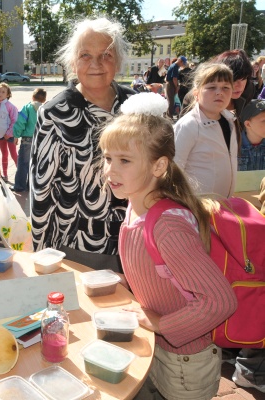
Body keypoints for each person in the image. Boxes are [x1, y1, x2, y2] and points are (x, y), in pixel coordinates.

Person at [99, 92, 237, 400]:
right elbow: (163, 273)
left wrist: (159, 322)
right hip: (158, 348)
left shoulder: (168, 226)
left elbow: (219, 302)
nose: (110, 170)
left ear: (159, 166)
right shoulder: (136, 206)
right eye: (108, 158)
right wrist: (129, 281)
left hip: (185, 363)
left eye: (124, 160)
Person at [29, 17, 135, 272]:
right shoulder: (55, 113)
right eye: (85, 55)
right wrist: (41, 254)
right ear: (73, 62)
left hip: (135, 241)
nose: (96, 64)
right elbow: (41, 190)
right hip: (78, 248)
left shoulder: (136, 106)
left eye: (106, 55)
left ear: (118, 60)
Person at [174, 63, 237, 198]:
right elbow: (174, 170)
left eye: (226, 87)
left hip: (224, 206)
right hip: (197, 207)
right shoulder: (189, 125)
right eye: (211, 87)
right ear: (196, 93)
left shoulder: (230, 121)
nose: (219, 92)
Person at [11, 88, 46, 193]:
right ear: (44, 100)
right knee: (36, 163)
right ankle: (31, 185)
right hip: (41, 139)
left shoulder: (27, 107)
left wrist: (16, 135)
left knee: (23, 163)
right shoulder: (46, 109)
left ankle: (20, 186)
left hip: (27, 140)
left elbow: (20, 122)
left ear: (32, 97)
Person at [0, 82, 18, 182]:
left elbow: (14, 121)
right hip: (0, 136)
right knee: (4, 155)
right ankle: (5, 175)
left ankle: (22, 174)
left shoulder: (10, 106)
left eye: (3, 92)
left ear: (8, 94)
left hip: (10, 136)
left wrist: (9, 133)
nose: (0, 93)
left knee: (13, 155)